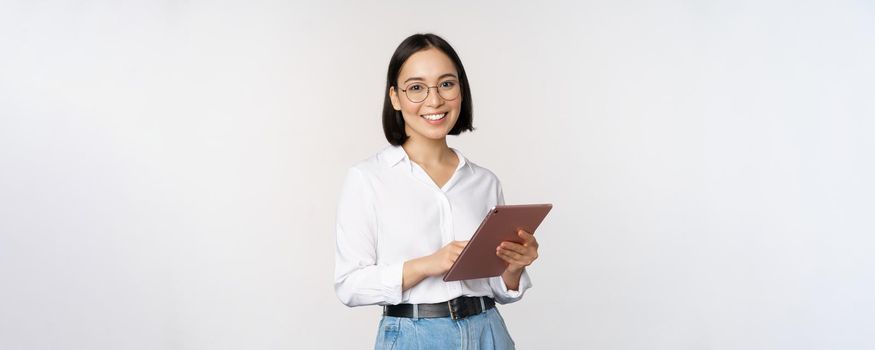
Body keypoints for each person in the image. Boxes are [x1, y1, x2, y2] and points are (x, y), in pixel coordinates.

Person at [334, 33, 540, 350]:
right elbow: (349, 286)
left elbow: (498, 289)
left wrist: (514, 267)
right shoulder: (368, 178)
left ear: (461, 89)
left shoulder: (484, 181)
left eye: (446, 84)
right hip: (413, 336)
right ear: (395, 97)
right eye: (416, 88)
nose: (435, 101)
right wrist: (429, 264)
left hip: (489, 331)